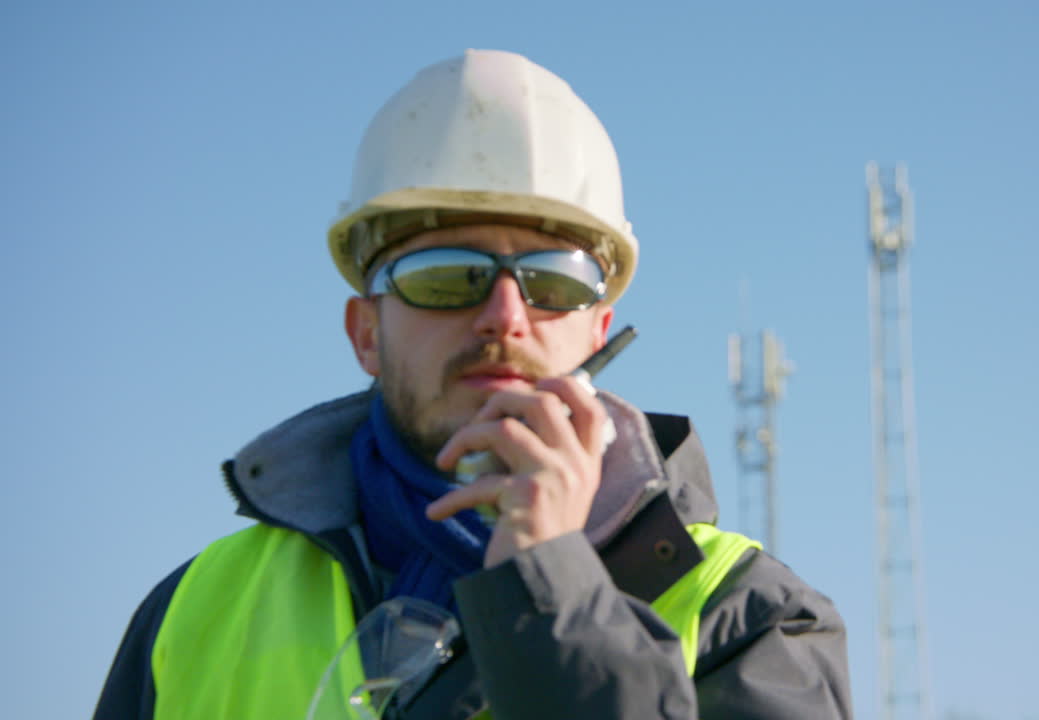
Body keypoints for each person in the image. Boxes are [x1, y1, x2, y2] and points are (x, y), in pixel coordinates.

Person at [94, 49, 853, 720]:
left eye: (552, 281)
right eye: (445, 276)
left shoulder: (752, 617)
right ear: (366, 332)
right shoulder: (190, 614)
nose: (504, 316)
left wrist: (550, 584)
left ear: (597, 329)